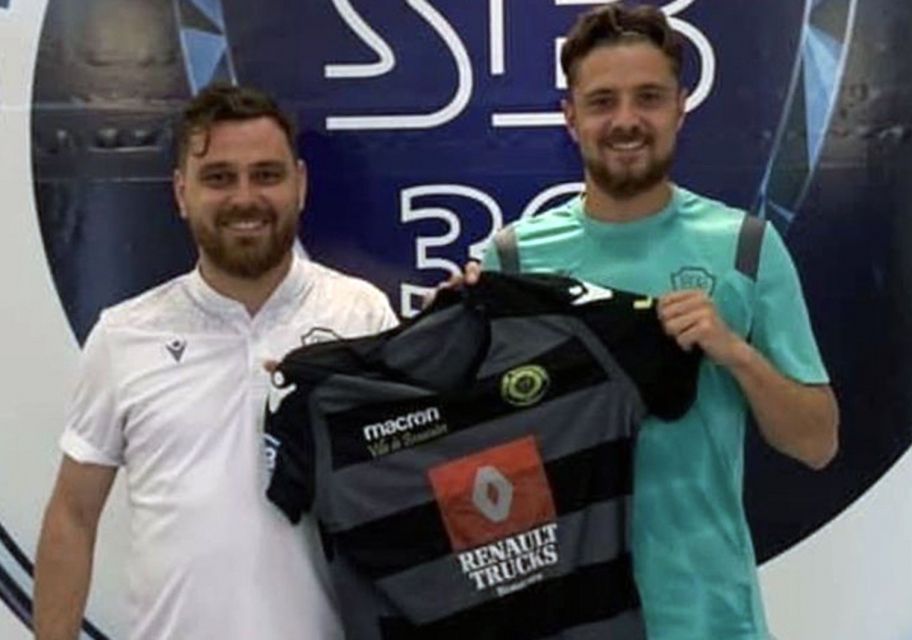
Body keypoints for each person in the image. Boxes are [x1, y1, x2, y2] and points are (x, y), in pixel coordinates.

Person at [470, 4, 839, 639]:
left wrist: (733, 351)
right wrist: (442, 345)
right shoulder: (510, 262)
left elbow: (817, 443)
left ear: (680, 107)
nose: (626, 121)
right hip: (562, 620)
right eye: (602, 101)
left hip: (711, 621)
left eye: (648, 97)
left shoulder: (745, 247)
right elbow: (468, 463)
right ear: (570, 116)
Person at [33, 84, 397, 640]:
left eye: (266, 175)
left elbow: (414, 491)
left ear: (300, 185)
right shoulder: (125, 336)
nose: (244, 198)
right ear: (182, 193)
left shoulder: (361, 314)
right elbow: (72, 516)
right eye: (219, 177)